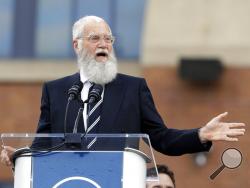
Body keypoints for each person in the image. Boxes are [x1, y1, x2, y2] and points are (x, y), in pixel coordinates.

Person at [1, 15, 245, 166]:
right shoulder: (56, 91)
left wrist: (200, 134)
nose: (104, 44)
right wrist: (21, 157)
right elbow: (44, 146)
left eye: (109, 39)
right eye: (95, 38)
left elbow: (161, 138)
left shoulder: (133, 88)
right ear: (76, 45)